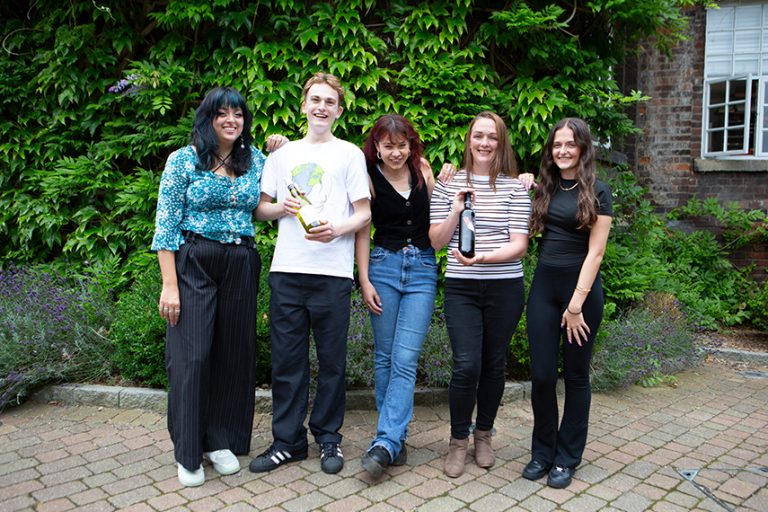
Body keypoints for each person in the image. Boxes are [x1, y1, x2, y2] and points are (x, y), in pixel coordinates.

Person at [151, 87, 275, 487]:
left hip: (241, 260)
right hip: (194, 262)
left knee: (233, 354)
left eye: (238, 114)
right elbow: (165, 225)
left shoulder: (255, 159)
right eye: (222, 114)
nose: (231, 120)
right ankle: (189, 451)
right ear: (207, 118)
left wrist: (283, 146)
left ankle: (220, 440)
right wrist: (169, 285)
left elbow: (278, 188)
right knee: (193, 355)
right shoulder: (183, 160)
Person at [249, 72, 371, 475]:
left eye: (329, 102)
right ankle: (287, 442)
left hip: (332, 275)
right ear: (303, 105)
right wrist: (280, 207)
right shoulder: (281, 156)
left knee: (333, 363)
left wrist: (336, 229)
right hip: (287, 271)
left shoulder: (350, 154)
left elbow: (365, 212)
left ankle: (329, 439)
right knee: (287, 362)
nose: (321, 107)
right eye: (314, 99)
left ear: (338, 110)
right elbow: (260, 209)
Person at [429, 111, 531, 478]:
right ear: (468, 140)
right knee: (466, 364)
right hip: (462, 286)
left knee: (493, 364)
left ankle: (484, 435)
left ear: (501, 142)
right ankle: (459, 441)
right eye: (478, 136)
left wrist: (483, 258)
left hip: (505, 287)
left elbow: (519, 245)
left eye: (492, 137)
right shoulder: (448, 184)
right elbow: (437, 241)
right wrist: (455, 208)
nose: (485, 143)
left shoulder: (516, 187)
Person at [522, 117, 612, 489]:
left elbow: (597, 253)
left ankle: (566, 457)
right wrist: (521, 185)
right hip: (544, 290)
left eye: (570, 144)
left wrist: (575, 305)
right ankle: (543, 451)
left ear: (582, 148)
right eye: (557, 144)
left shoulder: (599, 192)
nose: (562, 150)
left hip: (582, 295)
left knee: (575, 376)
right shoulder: (544, 187)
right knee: (542, 376)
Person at [354, 115, 437, 478]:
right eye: (388, 146)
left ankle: (385, 442)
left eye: (401, 145)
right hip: (383, 266)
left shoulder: (422, 170)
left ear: (410, 144)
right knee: (385, 357)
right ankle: (395, 439)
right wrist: (364, 279)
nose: (395, 152)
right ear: (377, 146)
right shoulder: (368, 176)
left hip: (421, 270)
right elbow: (362, 229)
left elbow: (437, 218)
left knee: (405, 358)